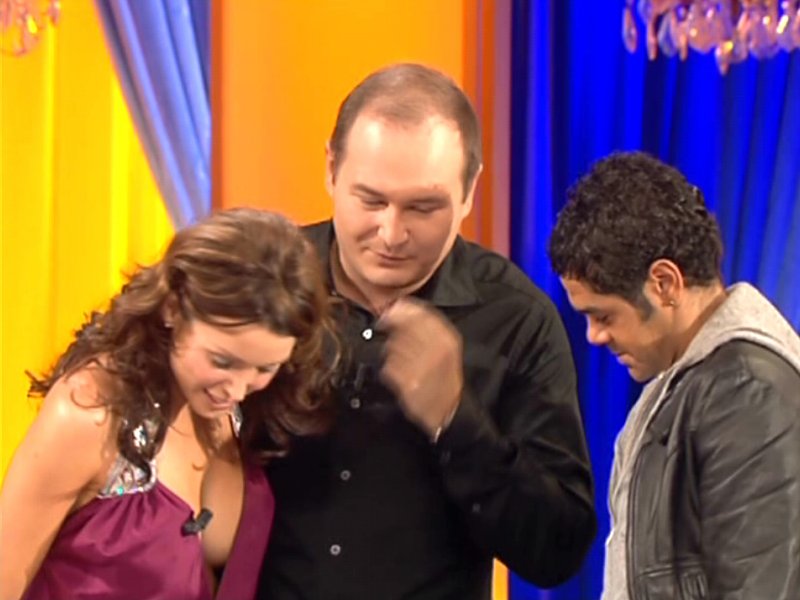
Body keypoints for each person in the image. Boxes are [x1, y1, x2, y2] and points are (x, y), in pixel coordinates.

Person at [257, 63, 596, 600]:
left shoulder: (517, 320)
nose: (391, 234)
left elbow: (558, 549)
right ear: (331, 170)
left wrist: (455, 421)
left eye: (423, 207)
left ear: (469, 191)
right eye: (371, 200)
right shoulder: (263, 282)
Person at [0, 208, 336, 600]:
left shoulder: (253, 411)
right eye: (222, 361)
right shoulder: (90, 415)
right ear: (173, 309)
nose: (238, 389)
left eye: (265, 368)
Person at [548, 151, 800, 600]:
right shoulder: (693, 383)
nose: (594, 336)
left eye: (603, 316)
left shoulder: (746, 391)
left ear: (664, 283)